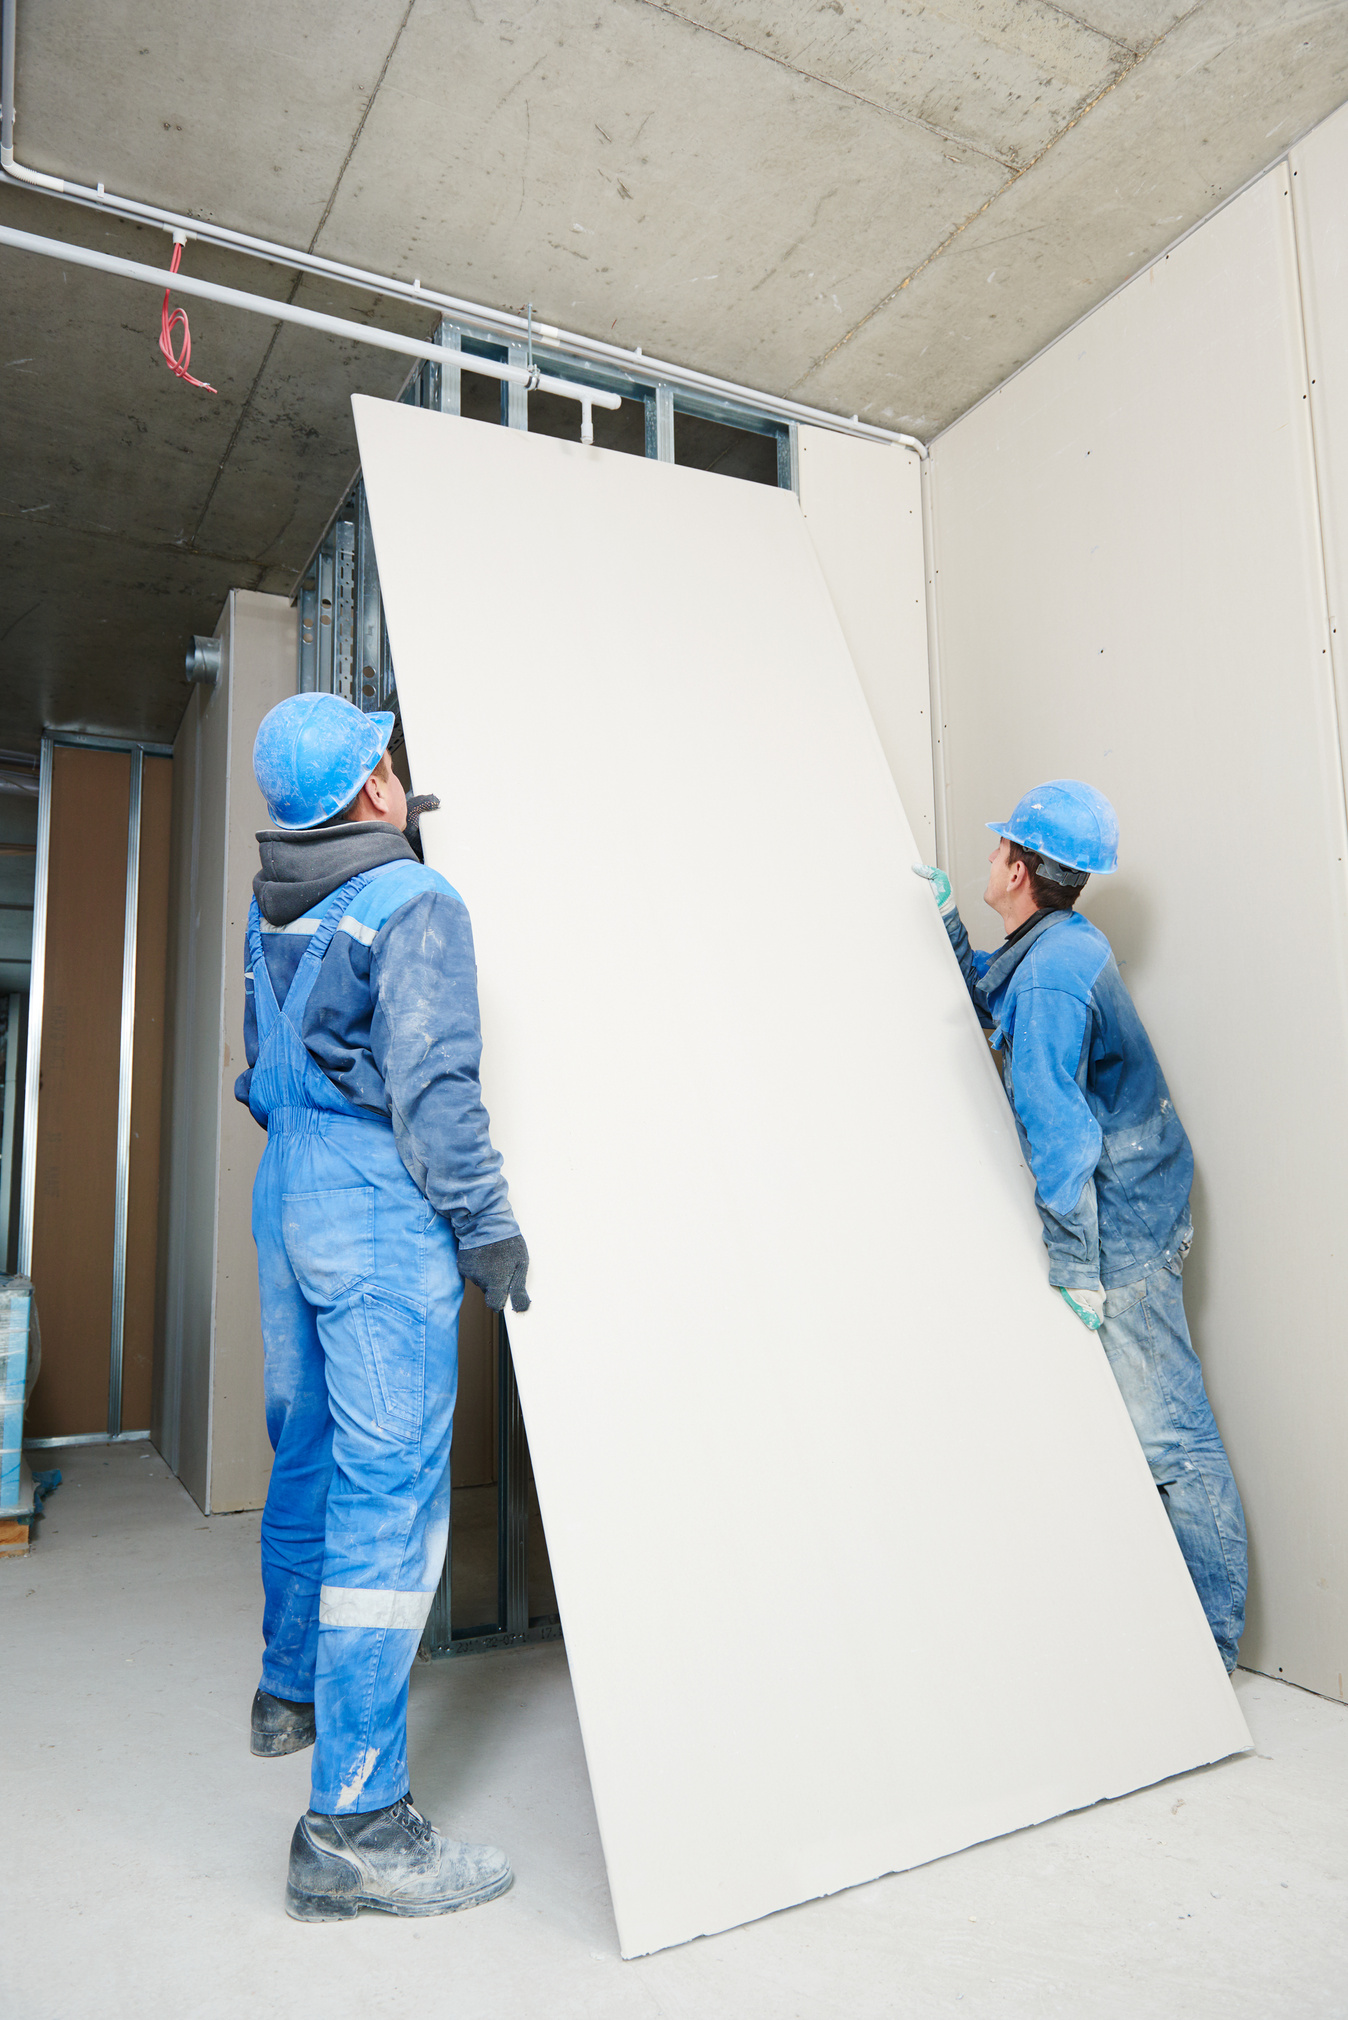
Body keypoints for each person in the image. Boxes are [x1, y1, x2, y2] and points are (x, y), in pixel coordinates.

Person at [236, 689, 531, 1921]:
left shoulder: (275, 910)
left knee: (303, 1446)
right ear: (369, 789)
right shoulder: (416, 902)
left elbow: (259, 1073)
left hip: (285, 1189)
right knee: (388, 1494)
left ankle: (288, 1692)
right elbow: (434, 1083)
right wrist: (486, 1223)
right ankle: (356, 1821)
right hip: (369, 1199)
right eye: (387, 761)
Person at [914, 780, 1247, 1674]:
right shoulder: (1050, 942)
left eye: (996, 851)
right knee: (1152, 1433)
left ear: (1021, 869)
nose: (986, 860)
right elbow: (996, 1000)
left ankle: (1211, 1651)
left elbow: (1061, 1139)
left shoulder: (1057, 974)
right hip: (1139, 1191)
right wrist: (949, 931)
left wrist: (1078, 1266)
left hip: (1126, 1221)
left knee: (1172, 1440)